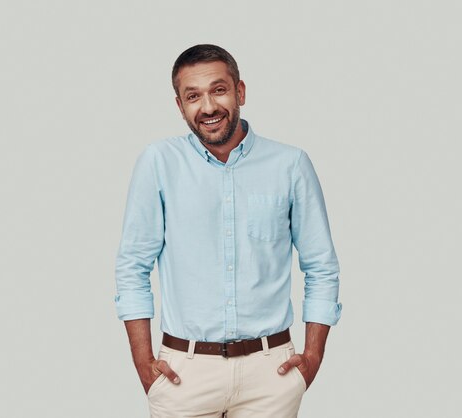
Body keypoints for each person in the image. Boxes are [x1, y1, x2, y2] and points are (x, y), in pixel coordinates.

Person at [115, 44, 342, 418]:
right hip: (183, 373)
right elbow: (132, 266)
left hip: (271, 372)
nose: (207, 107)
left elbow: (321, 266)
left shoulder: (290, 164)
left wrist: (313, 357)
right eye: (193, 96)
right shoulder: (158, 163)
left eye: (218, 90)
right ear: (180, 105)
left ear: (240, 92)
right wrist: (143, 361)